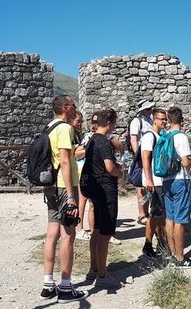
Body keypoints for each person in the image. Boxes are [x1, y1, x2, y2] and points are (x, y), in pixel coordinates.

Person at [40, 95, 87, 303]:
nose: (76, 109)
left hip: (50, 186)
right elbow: (66, 162)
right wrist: (71, 196)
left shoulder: (48, 126)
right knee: (68, 235)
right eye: (74, 105)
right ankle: (66, 287)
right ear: (66, 108)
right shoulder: (65, 129)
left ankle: (48, 284)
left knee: (52, 234)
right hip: (63, 186)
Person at [84, 109, 125, 290]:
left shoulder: (92, 139)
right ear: (109, 123)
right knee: (105, 233)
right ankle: (102, 274)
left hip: (95, 188)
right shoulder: (105, 143)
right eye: (114, 123)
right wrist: (119, 172)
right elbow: (109, 167)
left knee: (97, 230)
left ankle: (94, 268)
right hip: (106, 189)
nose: (114, 127)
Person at [163, 106, 191, 268]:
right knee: (180, 220)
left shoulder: (164, 136)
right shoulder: (181, 137)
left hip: (166, 181)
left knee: (169, 218)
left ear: (168, 120)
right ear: (181, 120)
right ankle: (180, 258)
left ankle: (172, 254)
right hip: (180, 180)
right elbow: (185, 162)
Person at [141, 107, 168, 258]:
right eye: (162, 119)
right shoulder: (149, 136)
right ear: (154, 119)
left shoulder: (159, 136)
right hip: (154, 181)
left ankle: (161, 242)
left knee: (160, 213)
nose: (164, 122)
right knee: (155, 213)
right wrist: (149, 179)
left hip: (160, 180)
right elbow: (145, 158)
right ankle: (147, 245)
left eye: (165, 119)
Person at [129, 99, 154, 225]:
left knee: (148, 183)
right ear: (143, 110)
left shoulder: (150, 121)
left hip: (150, 155)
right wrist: (137, 156)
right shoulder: (136, 121)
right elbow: (133, 139)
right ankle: (141, 214)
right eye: (149, 109)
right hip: (142, 156)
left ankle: (147, 211)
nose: (151, 111)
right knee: (140, 185)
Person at [73, 111, 94, 241]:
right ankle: (79, 228)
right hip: (79, 169)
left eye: (81, 121)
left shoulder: (78, 134)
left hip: (82, 168)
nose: (80, 124)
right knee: (82, 200)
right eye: (78, 121)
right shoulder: (72, 134)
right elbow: (76, 153)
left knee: (84, 199)